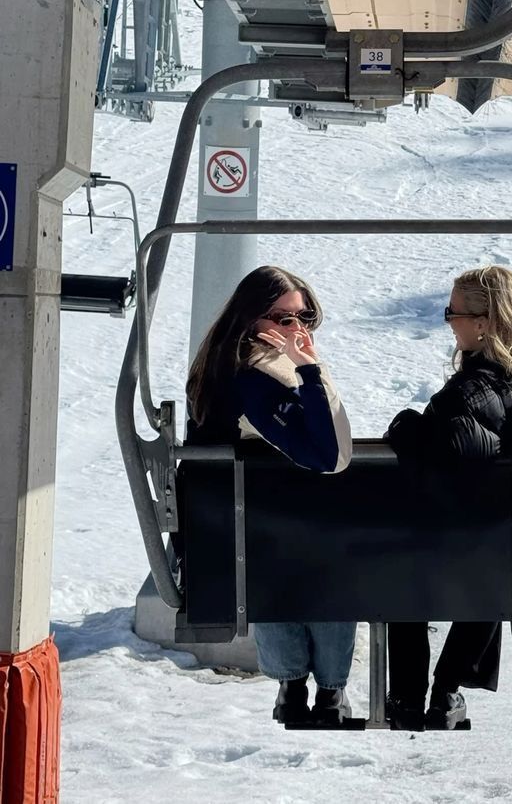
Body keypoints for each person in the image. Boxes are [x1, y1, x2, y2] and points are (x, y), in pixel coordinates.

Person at [385, 265, 512, 731]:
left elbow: (455, 453)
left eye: (453, 313)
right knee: (501, 548)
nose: (449, 322)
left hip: (446, 554)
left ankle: (406, 691)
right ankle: (447, 686)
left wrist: (407, 428)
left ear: (483, 323)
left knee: (396, 547)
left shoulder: (468, 393)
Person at [185, 265, 354, 726]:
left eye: (305, 317)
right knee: (338, 552)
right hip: (254, 530)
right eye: (285, 318)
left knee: (301, 543)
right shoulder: (254, 376)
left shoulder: (232, 363)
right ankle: (324, 687)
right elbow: (331, 454)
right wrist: (311, 371)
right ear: (252, 318)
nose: (298, 329)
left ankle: (295, 684)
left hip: (239, 522)